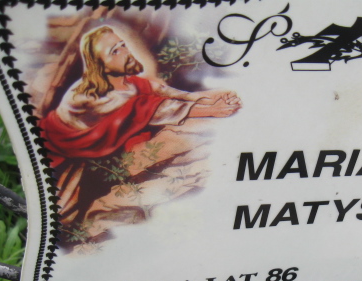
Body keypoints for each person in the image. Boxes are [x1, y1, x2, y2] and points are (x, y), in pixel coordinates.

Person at [40, 26, 241, 249]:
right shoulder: (88, 97)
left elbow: (157, 90)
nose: (126, 52)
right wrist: (209, 110)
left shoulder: (125, 82)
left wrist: (202, 100)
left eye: (122, 45)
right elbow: (144, 108)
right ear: (100, 65)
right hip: (60, 152)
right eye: (115, 52)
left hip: (93, 152)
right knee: (61, 218)